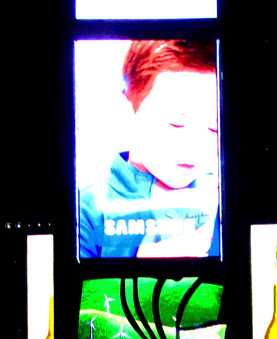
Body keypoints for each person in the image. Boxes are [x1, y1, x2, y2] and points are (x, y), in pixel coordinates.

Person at [78, 39, 220, 260]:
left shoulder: (220, 199)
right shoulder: (87, 209)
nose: (196, 145)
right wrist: (138, 264)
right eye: (176, 123)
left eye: (214, 128)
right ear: (127, 111)